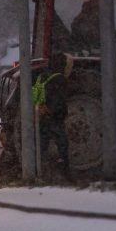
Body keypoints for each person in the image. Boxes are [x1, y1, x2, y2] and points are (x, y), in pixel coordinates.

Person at [33, 52, 70, 180]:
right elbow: (58, 100)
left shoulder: (42, 76)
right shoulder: (60, 79)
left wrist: (42, 109)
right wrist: (53, 111)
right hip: (54, 118)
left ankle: (41, 173)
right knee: (62, 144)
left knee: (42, 146)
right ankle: (64, 174)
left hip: (42, 117)